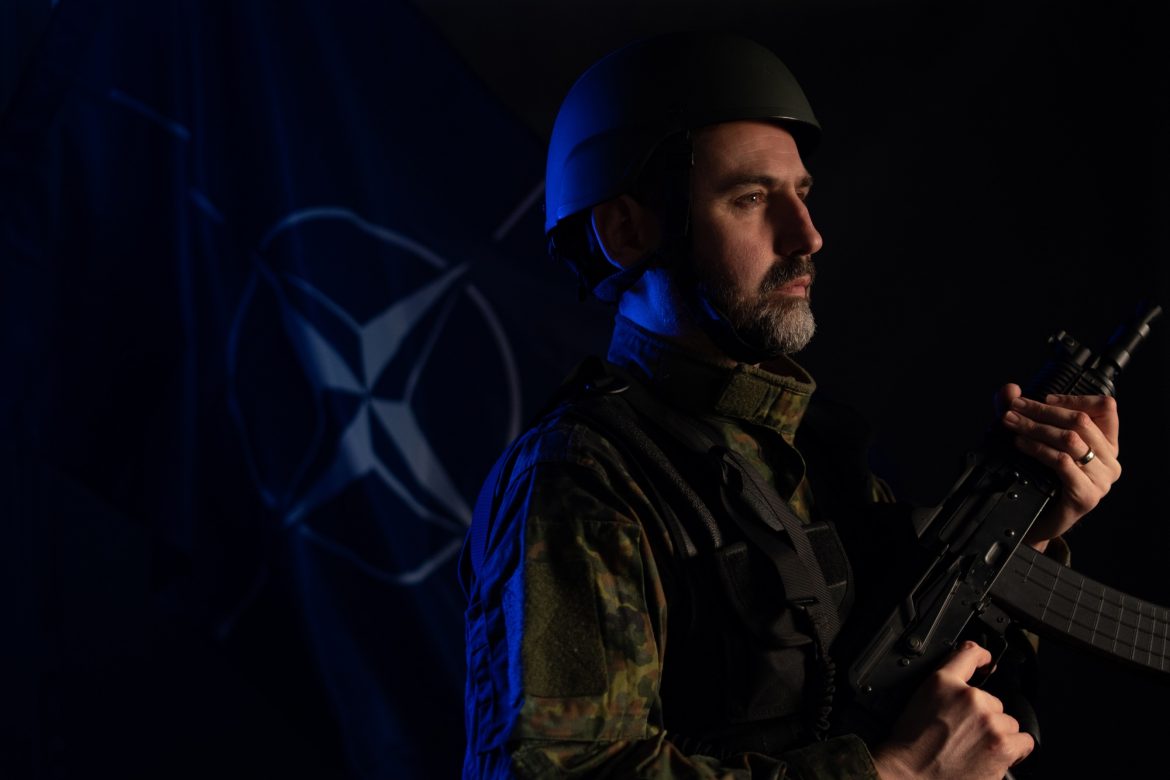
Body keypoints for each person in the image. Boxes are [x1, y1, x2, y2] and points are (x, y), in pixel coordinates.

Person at [459, 31, 1120, 779]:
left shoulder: (807, 451)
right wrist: (892, 775)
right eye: (750, 199)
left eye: (801, 194)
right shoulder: (584, 479)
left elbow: (923, 675)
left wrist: (1026, 532)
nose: (807, 235)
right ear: (626, 230)